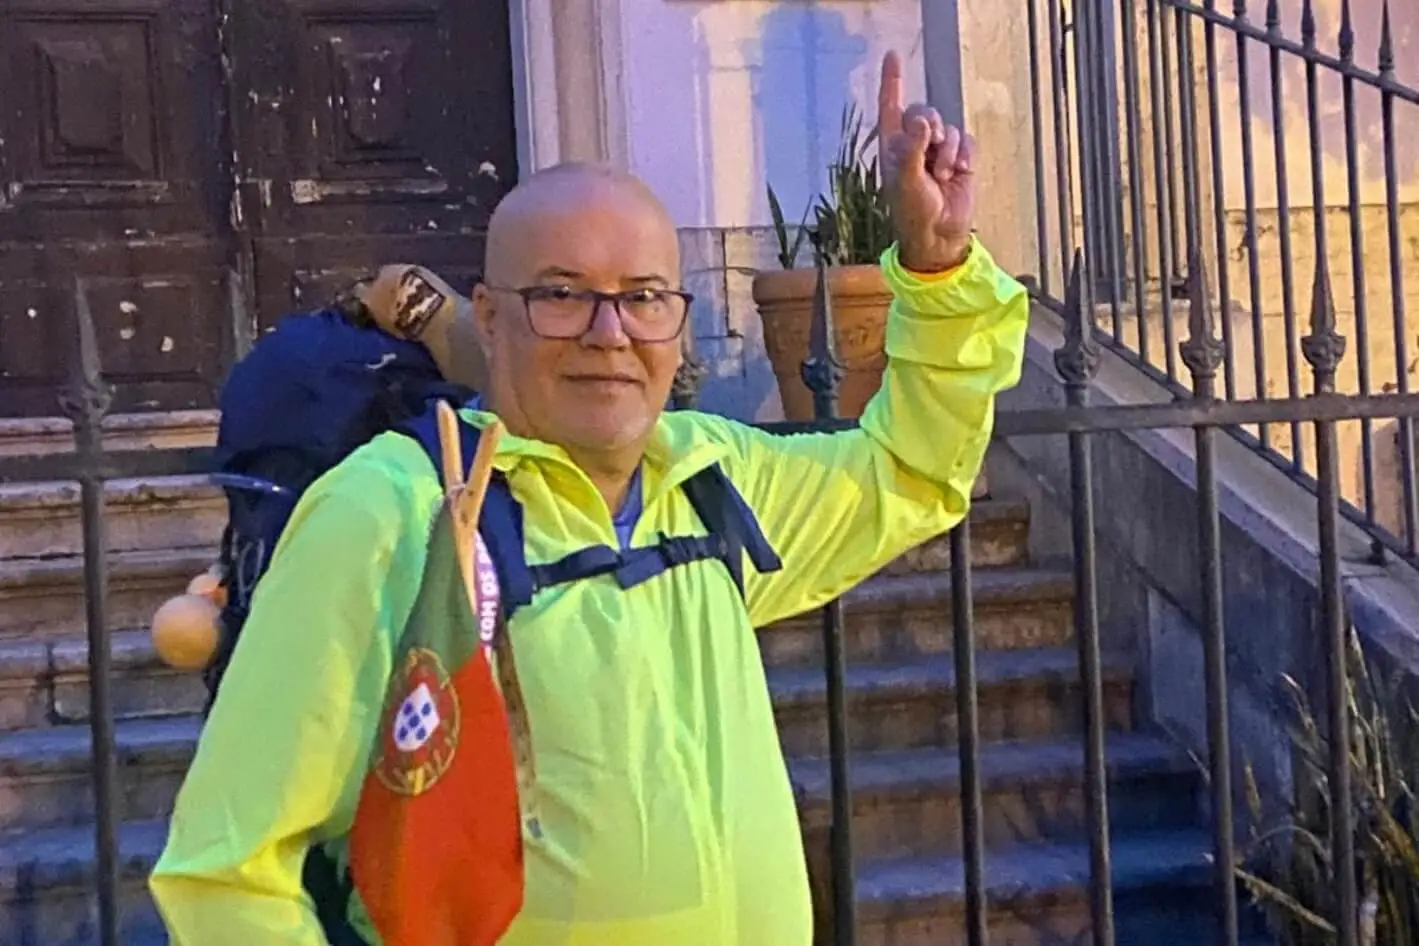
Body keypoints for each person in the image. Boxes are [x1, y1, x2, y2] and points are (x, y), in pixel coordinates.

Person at [148, 50, 1030, 945]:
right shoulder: (388, 513)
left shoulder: (710, 477)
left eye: (643, 297)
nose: (610, 334)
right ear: (489, 317)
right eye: (562, 295)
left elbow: (911, 471)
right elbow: (228, 872)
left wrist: (936, 268)